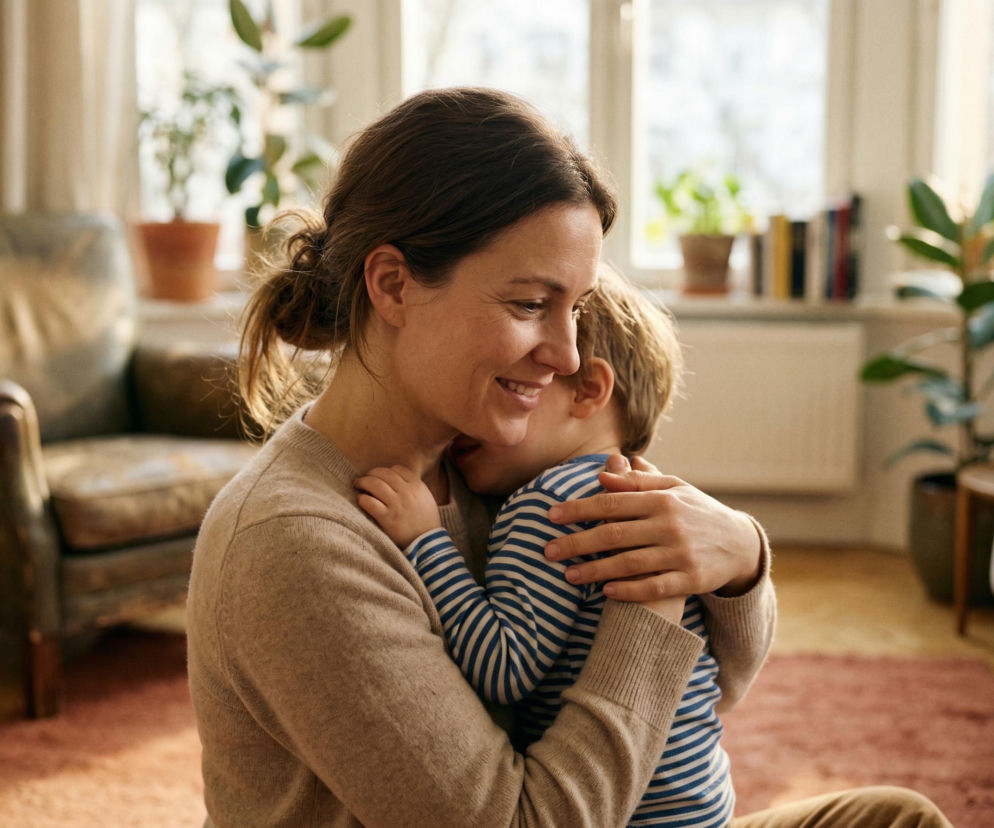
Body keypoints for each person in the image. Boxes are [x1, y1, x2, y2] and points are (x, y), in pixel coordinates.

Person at [186, 87, 952, 827]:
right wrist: (648, 606)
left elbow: (710, 692)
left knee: (897, 819)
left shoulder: (490, 464)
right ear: (393, 286)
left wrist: (738, 559)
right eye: (530, 305)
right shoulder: (294, 542)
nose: (568, 354)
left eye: (577, 309)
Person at [356, 263, 738, 827]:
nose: (469, 429)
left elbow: (503, 667)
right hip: (702, 802)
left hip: (629, 812)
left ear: (587, 390)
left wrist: (425, 540)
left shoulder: (550, 504)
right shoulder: (656, 498)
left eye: (515, 391)